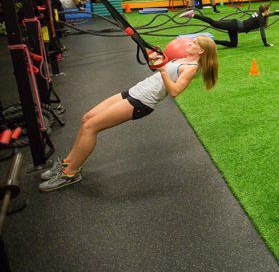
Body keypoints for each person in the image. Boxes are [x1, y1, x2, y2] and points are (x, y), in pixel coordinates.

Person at [38, 36, 219, 191]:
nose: (189, 42)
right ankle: (68, 163)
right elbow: (160, 69)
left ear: (201, 51)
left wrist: (163, 70)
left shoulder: (191, 68)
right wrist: (156, 59)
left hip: (142, 102)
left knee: (91, 127)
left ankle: (70, 173)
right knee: (87, 118)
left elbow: (174, 91)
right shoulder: (181, 59)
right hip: (134, 91)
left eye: (194, 42)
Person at [181, 4, 278, 48]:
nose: (269, 12)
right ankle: (193, 15)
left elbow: (271, 14)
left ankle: (213, 42)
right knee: (213, 23)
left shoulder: (260, 14)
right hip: (234, 25)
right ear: (264, 11)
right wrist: (266, 44)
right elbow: (262, 32)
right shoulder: (261, 19)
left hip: (235, 27)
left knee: (233, 44)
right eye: (268, 10)